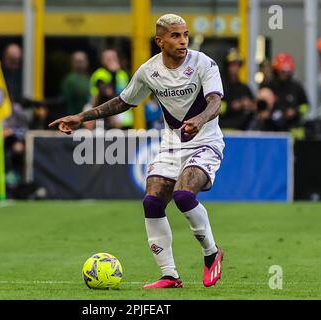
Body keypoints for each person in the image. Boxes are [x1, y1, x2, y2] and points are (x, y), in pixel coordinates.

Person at [49, 14, 224, 289]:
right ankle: (170, 275)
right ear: (160, 40)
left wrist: (199, 121)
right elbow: (123, 102)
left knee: (182, 194)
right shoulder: (148, 71)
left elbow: (215, 102)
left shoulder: (203, 62)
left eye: (185, 35)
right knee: (152, 202)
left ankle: (211, 253)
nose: (183, 41)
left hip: (206, 141)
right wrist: (81, 118)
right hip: (171, 144)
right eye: (176, 36)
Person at [90, 49, 134, 129]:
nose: (111, 61)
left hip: (126, 118)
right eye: (108, 59)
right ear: (102, 61)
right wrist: (113, 74)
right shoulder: (99, 74)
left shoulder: (123, 74)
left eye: (113, 58)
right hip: (108, 117)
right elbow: (108, 93)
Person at [266, 53, 309, 132]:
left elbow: (306, 106)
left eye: (287, 72)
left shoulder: (296, 87)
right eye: (282, 72)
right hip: (272, 129)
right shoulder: (269, 87)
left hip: (293, 129)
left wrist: (295, 111)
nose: (285, 75)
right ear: (276, 71)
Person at [219, 48, 255, 130]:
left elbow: (253, 107)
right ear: (227, 66)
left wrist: (250, 105)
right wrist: (231, 106)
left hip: (241, 132)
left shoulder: (244, 88)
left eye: (238, 65)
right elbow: (211, 107)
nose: (236, 68)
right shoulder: (218, 85)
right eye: (233, 65)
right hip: (221, 131)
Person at [61, 51, 91, 116]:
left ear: (87, 62)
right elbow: (67, 102)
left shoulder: (90, 77)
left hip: (90, 117)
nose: (80, 64)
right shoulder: (70, 80)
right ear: (72, 63)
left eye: (81, 61)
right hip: (76, 117)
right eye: (77, 62)